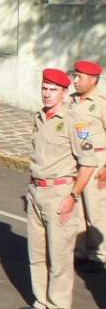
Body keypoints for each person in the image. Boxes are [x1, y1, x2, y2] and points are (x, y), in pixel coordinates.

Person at [17, 68, 97, 309]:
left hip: (60, 192)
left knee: (59, 254)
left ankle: (59, 308)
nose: (47, 94)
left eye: (53, 90)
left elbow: (88, 163)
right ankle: (41, 301)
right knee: (37, 251)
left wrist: (73, 196)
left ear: (64, 92)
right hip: (36, 190)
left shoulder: (75, 122)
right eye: (44, 88)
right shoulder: (40, 117)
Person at [67, 59, 106, 273]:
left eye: (79, 77)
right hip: (76, 160)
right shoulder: (71, 100)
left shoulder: (101, 103)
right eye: (75, 76)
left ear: (92, 80)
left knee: (95, 209)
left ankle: (98, 255)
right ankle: (80, 251)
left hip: (96, 160)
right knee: (77, 209)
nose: (75, 80)